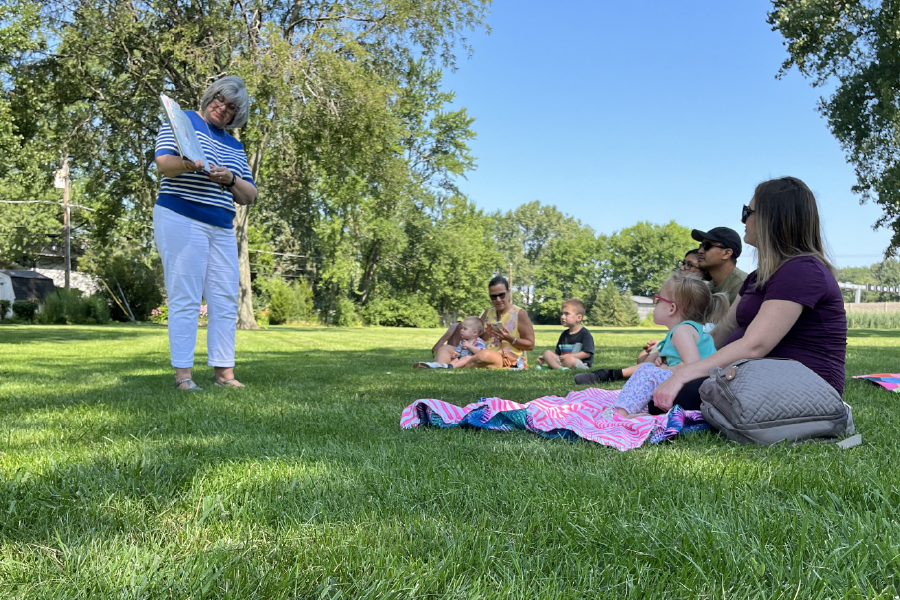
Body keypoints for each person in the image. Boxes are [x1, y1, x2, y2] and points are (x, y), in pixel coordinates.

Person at [651, 177, 847, 414]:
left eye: (747, 212)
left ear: (772, 218)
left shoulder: (801, 270)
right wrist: (674, 359)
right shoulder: (758, 277)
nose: (742, 220)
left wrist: (683, 375)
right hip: (760, 378)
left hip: (809, 388)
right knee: (659, 389)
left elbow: (755, 345)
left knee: (673, 398)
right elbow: (719, 334)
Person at [153, 76, 258, 390]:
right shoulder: (181, 120)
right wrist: (190, 165)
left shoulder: (235, 145)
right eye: (219, 100)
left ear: (235, 115)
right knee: (185, 297)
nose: (221, 108)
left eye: (230, 108)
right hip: (180, 215)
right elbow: (162, 163)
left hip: (222, 226)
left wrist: (228, 178)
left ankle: (224, 375)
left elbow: (249, 194)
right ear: (210, 95)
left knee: (225, 300)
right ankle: (183, 376)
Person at [608, 272, 728, 417]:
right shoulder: (686, 330)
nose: (655, 303)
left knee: (647, 372)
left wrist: (666, 368)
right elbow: (670, 360)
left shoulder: (682, 331)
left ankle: (621, 413)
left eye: (657, 299)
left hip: (697, 385)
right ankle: (644, 412)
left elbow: (693, 365)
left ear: (672, 308)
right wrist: (664, 360)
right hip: (700, 386)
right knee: (649, 368)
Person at [429, 276, 536, 369]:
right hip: (476, 351)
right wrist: (487, 334)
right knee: (445, 348)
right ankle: (438, 366)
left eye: (502, 295)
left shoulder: (519, 314)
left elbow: (530, 345)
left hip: (504, 357)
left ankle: (453, 366)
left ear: (508, 293)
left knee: (485, 355)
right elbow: (478, 339)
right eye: (493, 296)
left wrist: (508, 337)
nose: (498, 300)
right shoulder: (486, 314)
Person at [693, 227, 747, 304]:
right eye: (700, 246)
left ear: (726, 253)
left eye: (706, 246)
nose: (700, 251)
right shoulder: (709, 288)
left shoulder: (743, 285)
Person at [538, 298, 595, 370]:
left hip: (579, 363)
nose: (562, 317)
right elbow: (558, 352)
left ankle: (554, 367)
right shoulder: (564, 334)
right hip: (563, 361)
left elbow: (587, 353)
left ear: (579, 317)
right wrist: (547, 358)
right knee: (547, 353)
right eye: (562, 314)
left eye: (567, 314)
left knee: (570, 360)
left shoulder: (585, 334)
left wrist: (570, 356)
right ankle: (559, 368)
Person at [415, 317, 486, 369]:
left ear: (475, 332)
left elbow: (481, 352)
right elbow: (459, 352)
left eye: (465, 329)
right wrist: (456, 354)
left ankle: (452, 367)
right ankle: (443, 366)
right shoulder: (463, 342)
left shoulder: (478, 341)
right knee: (456, 359)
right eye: (462, 328)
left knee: (467, 358)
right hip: (462, 359)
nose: (461, 330)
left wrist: (469, 346)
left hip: (472, 360)